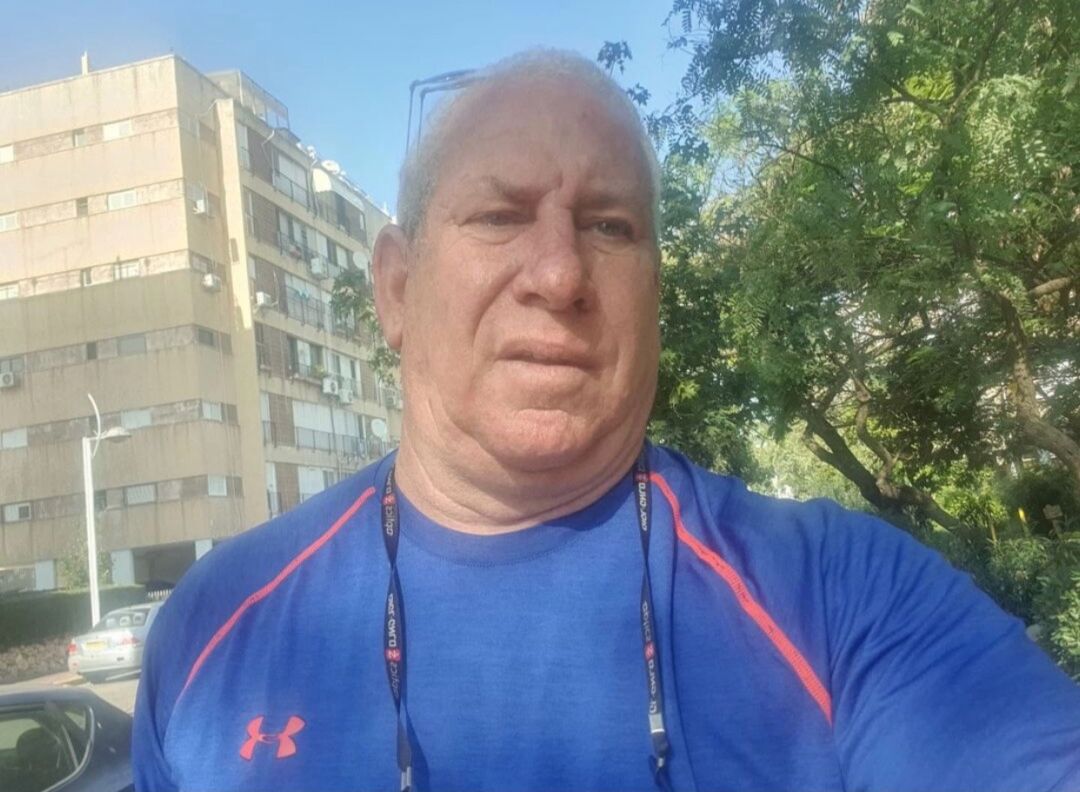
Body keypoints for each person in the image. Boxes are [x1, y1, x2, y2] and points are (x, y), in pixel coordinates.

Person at [133, 49, 1080, 791]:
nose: (559, 275)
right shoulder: (213, 631)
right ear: (396, 288)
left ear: (653, 295)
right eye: (501, 216)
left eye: (609, 226)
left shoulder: (843, 600)